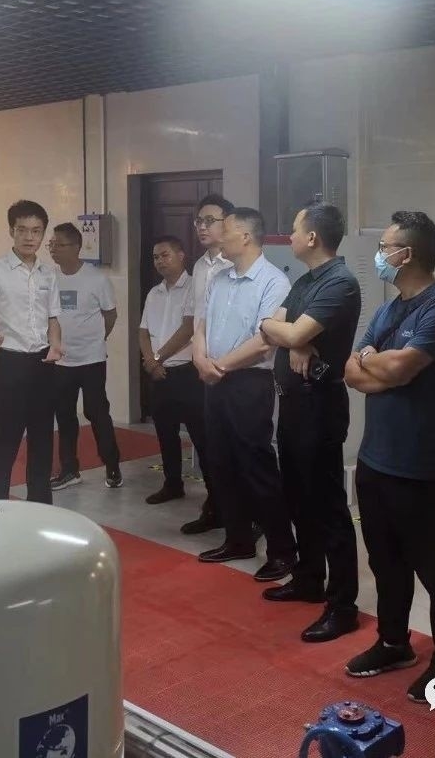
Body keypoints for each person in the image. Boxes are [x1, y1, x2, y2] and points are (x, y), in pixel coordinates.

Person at [342, 210, 435, 702]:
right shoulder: (389, 309)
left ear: (408, 253)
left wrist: (377, 365)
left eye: (385, 247)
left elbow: (398, 368)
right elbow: (351, 371)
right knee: (386, 560)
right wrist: (380, 367)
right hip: (376, 457)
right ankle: (393, 643)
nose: (380, 254)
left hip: (420, 465)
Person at [258, 203, 362, 643]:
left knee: (328, 506)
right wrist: (289, 336)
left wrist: (293, 336)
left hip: (319, 405)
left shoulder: (340, 282)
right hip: (294, 405)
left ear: (313, 237)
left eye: (295, 229)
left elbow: (291, 332)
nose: (291, 235)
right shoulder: (305, 281)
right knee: (298, 497)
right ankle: (308, 578)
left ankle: (343, 606)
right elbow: (271, 327)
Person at [191, 206, 295, 581]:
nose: (219, 234)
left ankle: (282, 552)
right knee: (221, 462)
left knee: (257, 467)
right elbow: (200, 327)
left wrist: (219, 366)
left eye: (227, 229)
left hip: (249, 383)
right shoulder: (219, 278)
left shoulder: (274, 282)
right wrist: (201, 359)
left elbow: (264, 342)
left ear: (246, 236)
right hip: (214, 380)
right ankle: (238, 539)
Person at [0, 200, 64, 505]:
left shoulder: (49, 273)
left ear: (43, 234)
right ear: (11, 231)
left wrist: (56, 343)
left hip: (43, 363)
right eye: (22, 230)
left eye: (36, 231)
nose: (29, 237)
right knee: (4, 439)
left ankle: (40, 504)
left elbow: (53, 318)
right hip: (11, 362)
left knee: (42, 437)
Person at [46, 222, 123, 491]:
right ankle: (69, 469)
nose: (53, 249)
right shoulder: (50, 278)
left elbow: (110, 315)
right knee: (64, 415)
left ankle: (112, 465)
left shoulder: (96, 279)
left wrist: (97, 340)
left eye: (59, 245)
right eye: (51, 244)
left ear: (76, 247)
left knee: (97, 412)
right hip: (61, 360)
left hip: (91, 360)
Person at [180, 193, 236, 535]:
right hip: (202, 363)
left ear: (228, 223)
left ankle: (247, 516)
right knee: (208, 443)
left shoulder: (235, 264)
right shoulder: (200, 266)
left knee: (238, 446)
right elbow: (195, 318)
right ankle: (216, 505)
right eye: (198, 221)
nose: (202, 227)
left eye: (209, 221)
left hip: (232, 366)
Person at [138, 235, 206, 505]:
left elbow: (188, 329)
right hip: (159, 375)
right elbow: (143, 331)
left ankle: (216, 495)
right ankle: (172, 484)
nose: (160, 261)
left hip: (186, 373)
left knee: (200, 435)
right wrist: (151, 361)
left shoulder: (193, 288)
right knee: (166, 434)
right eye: (156, 257)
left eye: (165, 255)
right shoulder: (154, 293)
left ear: (181, 256)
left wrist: (156, 358)